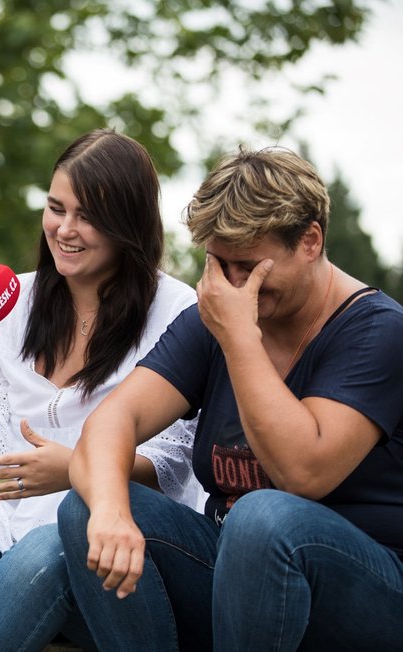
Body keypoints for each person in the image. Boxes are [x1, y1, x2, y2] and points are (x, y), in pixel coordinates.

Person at [0, 129, 204, 652]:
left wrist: (73, 469)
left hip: (101, 548)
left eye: (88, 216)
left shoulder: (176, 312)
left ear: (128, 223)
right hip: (7, 530)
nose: (65, 229)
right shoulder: (12, 301)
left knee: (54, 540)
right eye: (55, 208)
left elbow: (174, 465)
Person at [57, 146, 403, 651]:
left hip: (367, 586)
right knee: (86, 504)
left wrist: (241, 339)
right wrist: (111, 511)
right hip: (236, 576)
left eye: (249, 266)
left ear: (310, 240)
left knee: (264, 517)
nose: (234, 286)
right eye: (220, 264)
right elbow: (113, 421)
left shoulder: (378, 331)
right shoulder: (212, 318)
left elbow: (304, 473)